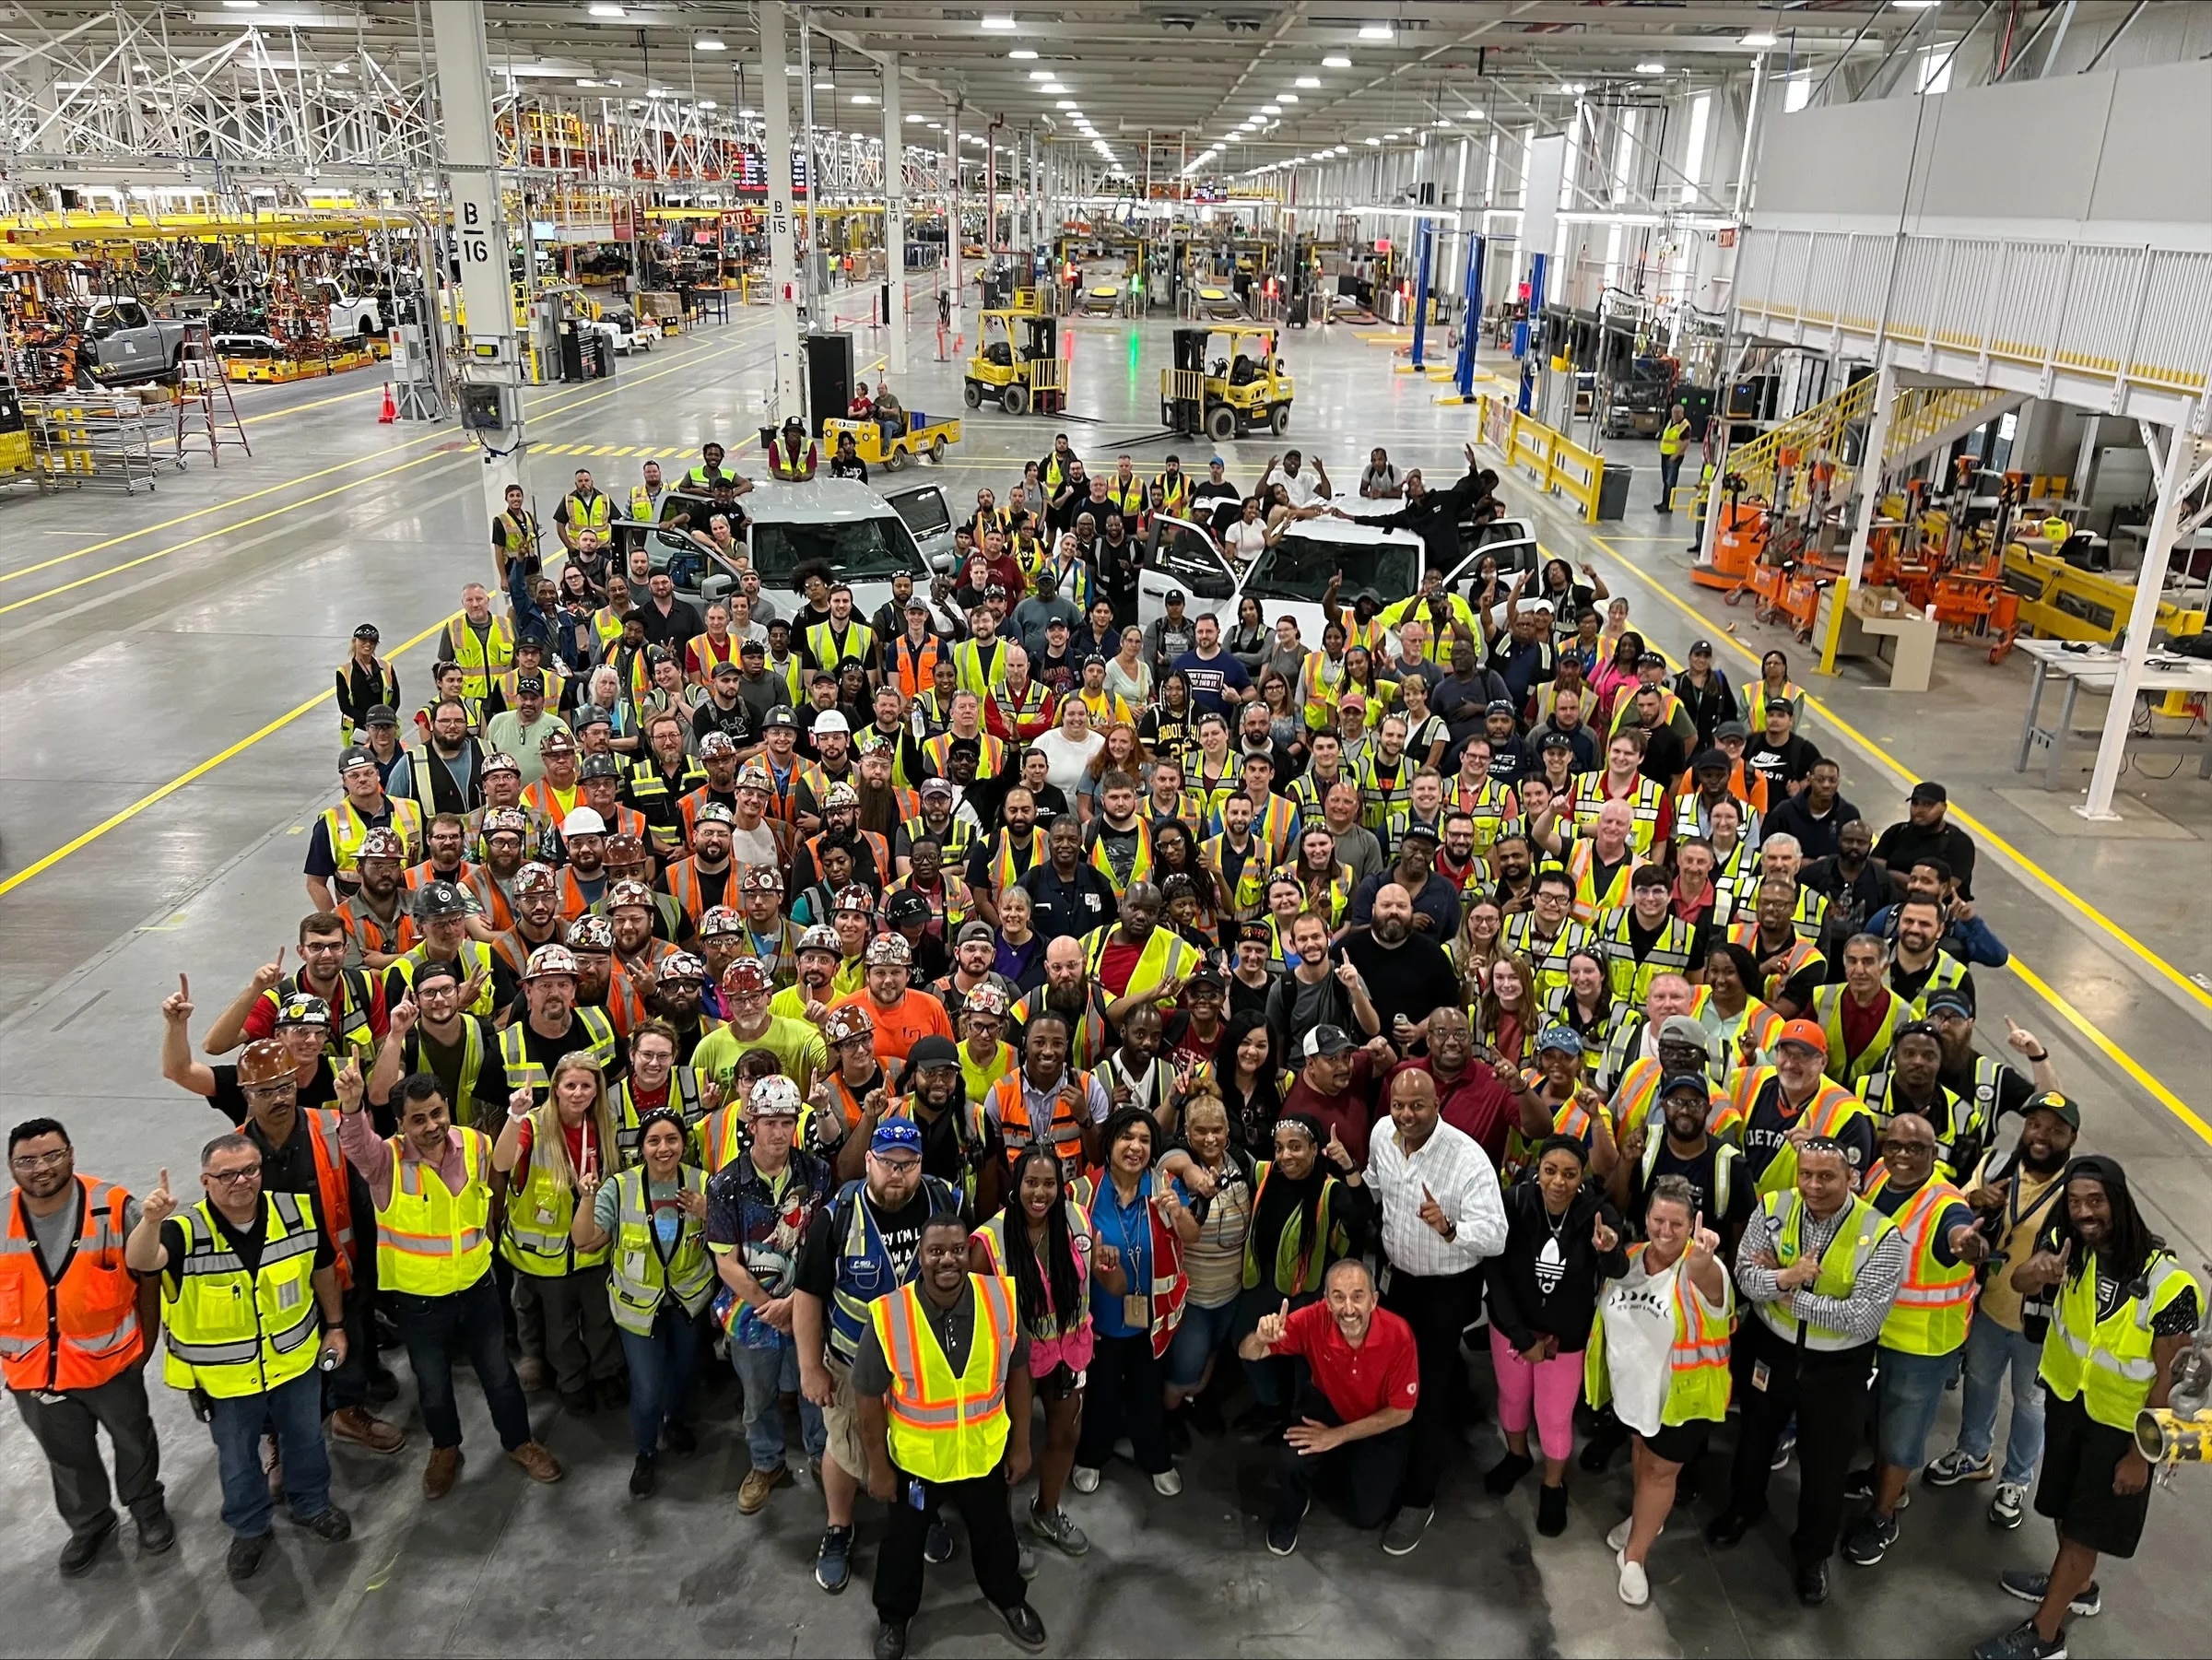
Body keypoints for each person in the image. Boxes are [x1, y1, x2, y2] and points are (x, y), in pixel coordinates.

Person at [1968, 1156, 2198, 1660]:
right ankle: (2078, 1586)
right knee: (2066, 1513)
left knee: (2083, 1533)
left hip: (2122, 1429)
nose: (2084, 1212)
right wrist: (2035, 1271)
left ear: (2119, 1201)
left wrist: (2141, 1456)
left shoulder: (2171, 1286)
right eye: (2074, 1202)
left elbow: (2171, 1383)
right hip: (2070, 1405)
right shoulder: (2071, 1250)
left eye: (2095, 1200)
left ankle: (2045, 1636)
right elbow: (2020, 1283)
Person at [124, 1134, 351, 1581]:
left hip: (294, 1364)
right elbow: (143, 1260)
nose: (241, 1181)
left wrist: (336, 1326)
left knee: (306, 1440)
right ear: (206, 1181)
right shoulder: (182, 1231)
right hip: (225, 1381)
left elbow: (323, 1268)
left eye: (249, 1170)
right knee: (237, 1457)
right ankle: (250, 1529)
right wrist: (150, 1222)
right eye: (226, 1175)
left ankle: (312, 1505)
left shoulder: (297, 1212)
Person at [1707, 1137, 1905, 1607]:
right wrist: (1785, 1276)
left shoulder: (1881, 1234)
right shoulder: (1774, 1207)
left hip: (1838, 1368)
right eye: (1806, 1174)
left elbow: (1862, 1319)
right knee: (1755, 1438)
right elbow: (1744, 1277)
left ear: (1851, 1177)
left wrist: (1787, 1291)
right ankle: (1744, 1508)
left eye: (1827, 1176)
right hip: (1771, 1349)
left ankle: (1812, 1554)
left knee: (1825, 1466)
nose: (1813, 1185)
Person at [855, 1212, 1048, 1660]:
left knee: (996, 1535)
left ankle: (1008, 1599)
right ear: (920, 1257)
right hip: (917, 1465)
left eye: (957, 1250)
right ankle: (894, 1618)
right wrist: (878, 1469)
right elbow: (867, 1399)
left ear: (968, 1252)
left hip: (982, 1457)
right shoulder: (889, 1315)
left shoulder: (1000, 1300)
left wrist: (1021, 1444)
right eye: (936, 1251)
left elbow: (1019, 1376)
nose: (948, 1260)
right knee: (902, 1545)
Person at [792, 1118, 960, 1595]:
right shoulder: (838, 1215)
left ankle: (923, 1516)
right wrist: (810, 1366)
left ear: (921, 1165)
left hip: (924, 1367)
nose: (897, 1174)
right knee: (846, 1450)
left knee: (921, 1448)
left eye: (908, 1164)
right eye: (887, 1163)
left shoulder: (945, 1202)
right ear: (869, 1161)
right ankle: (839, 1527)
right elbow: (808, 1294)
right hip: (851, 1365)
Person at [3, 1118, 172, 1574]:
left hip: (111, 1367)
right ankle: (90, 1524)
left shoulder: (114, 1208)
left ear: (72, 1154)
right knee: (67, 1457)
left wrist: (145, 1346)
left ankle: (147, 1508)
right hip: (33, 1374)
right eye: (27, 1160)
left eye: (52, 1155)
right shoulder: (1, 1220)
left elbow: (149, 1276)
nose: (41, 1168)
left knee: (134, 1442)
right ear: (12, 1166)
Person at [1366, 1066, 1508, 1555]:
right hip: (1398, 1281)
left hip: (1446, 1289)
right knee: (1393, 1379)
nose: (1406, 1115)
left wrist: (1450, 1228)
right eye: (1398, 1106)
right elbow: (1376, 1185)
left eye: (1417, 1106)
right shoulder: (1382, 1135)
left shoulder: (1467, 1158)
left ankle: (1419, 1497)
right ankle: (1387, 1467)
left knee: (1426, 1393)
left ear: (1437, 1105)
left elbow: (1496, 1235)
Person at [1841, 1112, 1989, 1569]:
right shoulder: (1878, 1176)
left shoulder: (1945, 1206)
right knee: (1880, 1418)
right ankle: (1880, 1477)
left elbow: (1960, 1235)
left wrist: (1969, 1245)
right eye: (1895, 1145)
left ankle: (1884, 1513)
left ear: (1934, 1153)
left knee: (1903, 1433)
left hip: (1922, 1345)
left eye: (1916, 1148)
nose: (1903, 1155)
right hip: (1874, 1332)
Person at [1925, 1089, 2079, 1525]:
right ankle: (1974, 1454)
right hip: (1990, 1306)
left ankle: (2016, 1479)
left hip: (2041, 1323)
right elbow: (1956, 1208)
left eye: (2055, 1130)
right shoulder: (1995, 1165)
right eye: (2035, 1125)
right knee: (1979, 1382)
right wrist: (1976, 1200)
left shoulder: (2077, 1188)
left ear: (2072, 1138)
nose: (2041, 1136)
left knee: (2030, 1402)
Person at [1585, 1175, 1734, 1606]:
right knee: (1640, 1455)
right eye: (1658, 1221)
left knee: (1659, 1473)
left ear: (1692, 1226)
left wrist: (1703, 1258)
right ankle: (1644, 1518)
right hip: (1634, 1393)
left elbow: (1706, 1280)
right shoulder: (1631, 1257)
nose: (1665, 1232)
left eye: (1677, 1224)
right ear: (1645, 1218)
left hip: (1681, 1400)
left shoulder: (1704, 1268)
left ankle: (1635, 1555)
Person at [1482, 1136, 1628, 1532]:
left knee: (1554, 1415)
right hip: (1511, 1327)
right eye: (1550, 1171)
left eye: (1569, 1174)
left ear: (1582, 1177)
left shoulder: (1598, 1213)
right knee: (1512, 1398)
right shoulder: (1514, 1203)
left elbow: (1618, 1270)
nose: (1558, 1182)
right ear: (1538, 1171)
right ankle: (1517, 1457)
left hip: (1566, 1338)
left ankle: (1553, 1484)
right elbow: (1494, 1271)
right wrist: (1521, 1337)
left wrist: (1608, 1251)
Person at [569, 1105, 712, 1497]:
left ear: (684, 1143)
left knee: (683, 1375)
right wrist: (586, 1198)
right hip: (638, 1308)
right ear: (641, 1147)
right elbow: (584, 1241)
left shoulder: (702, 1182)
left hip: (688, 1302)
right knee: (647, 1389)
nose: (663, 1149)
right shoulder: (619, 1188)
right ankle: (646, 1451)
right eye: (654, 1141)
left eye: (672, 1139)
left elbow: (728, 1237)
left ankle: (675, 1423)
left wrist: (708, 1211)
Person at [1238, 1256, 1418, 1557]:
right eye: (1338, 1297)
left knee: (1367, 1516)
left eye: (1357, 1297)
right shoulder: (1312, 1318)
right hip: (1328, 1405)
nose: (1348, 1308)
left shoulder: (1398, 1334)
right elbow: (1248, 1353)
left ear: (1373, 1300)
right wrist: (1259, 1337)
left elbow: (1402, 1411)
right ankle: (1292, 1509)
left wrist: (1336, 1437)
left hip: (1378, 1421)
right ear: (1326, 1301)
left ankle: (1343, 1464)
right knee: (1290, 1460)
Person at [971, 1145, 1099, 1560]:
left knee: (1066, 1435)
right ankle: (1003, 1534)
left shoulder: (1078, 1220)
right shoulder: (990, 1240)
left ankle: (1046, 1512)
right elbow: (974, 1310)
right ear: (1016, 1184)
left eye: (1049, 1184)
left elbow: (1091, 1281)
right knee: (1012, 1451)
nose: (1040, 1193)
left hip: (1069, 1352)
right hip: (1016, 1365)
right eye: (1031, 1183)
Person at [491, 1054, 627, 1413]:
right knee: (560, 1328)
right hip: (546, 1258)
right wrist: (514, 1115)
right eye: (570, 1086)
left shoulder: (605, 1125)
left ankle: (606, 1373)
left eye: (586, 1086)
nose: (578, 1093)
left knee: (600, 1320)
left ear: (597, 1090)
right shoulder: (533, 1125)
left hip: (594, 1248)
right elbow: (501, 1163)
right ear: (555, 1089)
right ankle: (572, 1382)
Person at [1071, 1106, 1194, 1496]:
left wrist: (1178, 1213)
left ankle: (1155, 1459)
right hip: (1099, 1321)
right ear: (1109, 1143)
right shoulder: (1082, 1192)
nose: (1135, 1147)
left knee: (1148, 1395)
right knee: (1101, 1395)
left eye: (1144, 1140)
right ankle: (1092, 1456)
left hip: (1152, 1320)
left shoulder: (1165, 1186)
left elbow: (1191, 1235)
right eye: (1127, 1137)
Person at [1655, 403, 1690, 512]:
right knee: (1666, 481)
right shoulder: (1671, 421)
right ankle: (1664, 503)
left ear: (1682, 413)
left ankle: (1668, 506)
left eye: (1677, 413)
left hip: (1674, 457)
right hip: (1665, 454)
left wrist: (1675, 455)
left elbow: (1685, 443)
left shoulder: (1684, 425)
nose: (1674, 414)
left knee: (1670, 482)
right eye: (1673, 412)